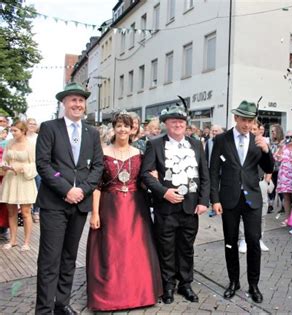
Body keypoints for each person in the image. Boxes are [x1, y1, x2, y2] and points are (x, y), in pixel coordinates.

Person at [35, 82, 104, 314]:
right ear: (63, 103)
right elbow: (43, 164)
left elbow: (97, 167)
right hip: (54, 203)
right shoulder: (49, 128)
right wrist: (67, 189)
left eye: (81, 100)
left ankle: (61, 304)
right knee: (49, 259)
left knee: (69, 257)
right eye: (73, 100)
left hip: (80, 205)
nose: (78, 104)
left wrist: (82, 190)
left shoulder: (92, 133)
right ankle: (44, 309)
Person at [86, 113, 162, 311]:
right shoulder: (102, 153)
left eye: (126, 127)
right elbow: (96, 186)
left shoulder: (139, 154)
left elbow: (144, 180)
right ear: (114, 127)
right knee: (111, 250)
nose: (122, 130)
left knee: (136, 250)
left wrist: (156, 178)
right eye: (119, 126)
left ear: (132, 130)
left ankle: (140, 293)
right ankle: (109, 296)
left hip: (136, 208)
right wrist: (94, 213)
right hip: (109, 207)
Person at [141, 103, 210, 305]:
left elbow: (205, 175)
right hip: (166, 208)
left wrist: (204, 201)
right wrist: (164, 192)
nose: (178, 124)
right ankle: (168, 285)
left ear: (186, 124)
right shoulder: (154, 144)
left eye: (181, 121)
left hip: (190, 207)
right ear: (166, 124)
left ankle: (185, 284)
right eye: (173, 121)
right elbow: (146, 174)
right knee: (166, 248)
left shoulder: (196, 144)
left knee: (186, 248)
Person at [210, 100, 274, 303]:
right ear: (235, 118)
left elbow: (269, 167)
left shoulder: (258, 140)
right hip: (229, 199)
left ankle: (253, 285)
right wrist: (215, 199)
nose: (246, 124)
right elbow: (213, 172)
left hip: (252, 199)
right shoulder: (221, 139)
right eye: (243, 119)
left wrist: (266, 150)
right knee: (230, 243)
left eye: (250, 120)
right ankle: (233, 281)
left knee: (253, 242)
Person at [0, 120, 37, 251]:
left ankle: (26, 242)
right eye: (11, 130)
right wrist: (4, 165)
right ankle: (13, 240)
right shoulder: (10, 143)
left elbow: (35, 164)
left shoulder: (31, 145)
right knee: (11, 212)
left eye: (15, 130)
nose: (13, 133)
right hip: (10, 179)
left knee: (26, 212)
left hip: (24, 181)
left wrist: (23, 168)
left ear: (23, 131)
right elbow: (4, 158)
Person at [238, 120, 273, 253]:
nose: (251, 131)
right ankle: (243, 239)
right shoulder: (241, 142)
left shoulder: (263, 144)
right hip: (245, 183)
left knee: (262, 213)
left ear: (259, 130)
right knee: (243, 212)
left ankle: (259, 238)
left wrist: (267, 179)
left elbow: (270, 164)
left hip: (260, 182)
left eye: (254, 129)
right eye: (250, 129)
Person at [274, 130, 292, 224]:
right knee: (286, 197)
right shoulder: (283, 147)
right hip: (284, 176)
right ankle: (288, 218)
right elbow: (276, 158)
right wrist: (280, 147)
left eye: (291, 137)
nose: (289, 139)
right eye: (287, 137)